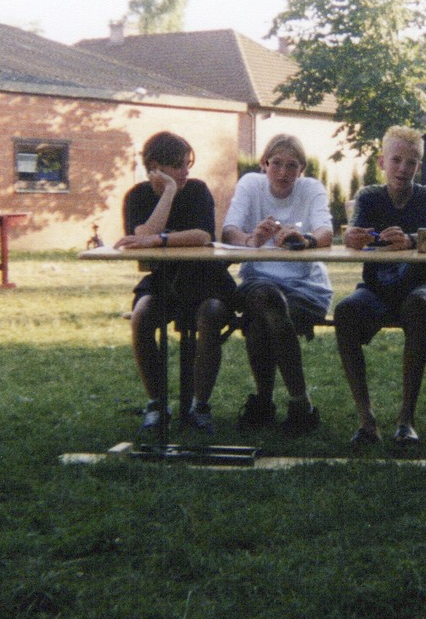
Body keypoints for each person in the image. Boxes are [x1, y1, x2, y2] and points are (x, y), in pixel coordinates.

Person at [115, 131, 236, 435]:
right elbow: (141, 236)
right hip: (165, 280)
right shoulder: (137, 197)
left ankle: (200, 405)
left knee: (209, 315)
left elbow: (203, 235)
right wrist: (168, 192)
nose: (185, 172)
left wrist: (160, 240)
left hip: (206, 278)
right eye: (178, 166)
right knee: (142, 316)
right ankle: (157, 404)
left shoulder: (197, 191)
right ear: (156, 167)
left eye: (187, 165)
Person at [335, 126, 426, 446]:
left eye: (411, 162)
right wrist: (351, 238)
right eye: (396, 160)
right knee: (345, 312)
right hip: (375, 291)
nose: (402, 169)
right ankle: (366, 420)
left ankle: (406, 419)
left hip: (423, 288)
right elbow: (352, 234)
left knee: (418, 306)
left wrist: (410, 240)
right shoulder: (369, 196)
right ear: (382, 162)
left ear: (419, 167)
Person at [221, 134, 334, 435]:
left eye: (292, 166)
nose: (283, 173)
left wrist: (305, 240)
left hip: (306, 286)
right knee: (268, 302)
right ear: (264, 164)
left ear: (302, 169)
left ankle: (265, 402)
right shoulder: (250, 184)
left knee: (263, 319)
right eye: (277, 164)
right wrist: (251, 239)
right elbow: (229, 230)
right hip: (259, 280)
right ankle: (300, 405)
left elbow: (325, 232)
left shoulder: (311, 188)